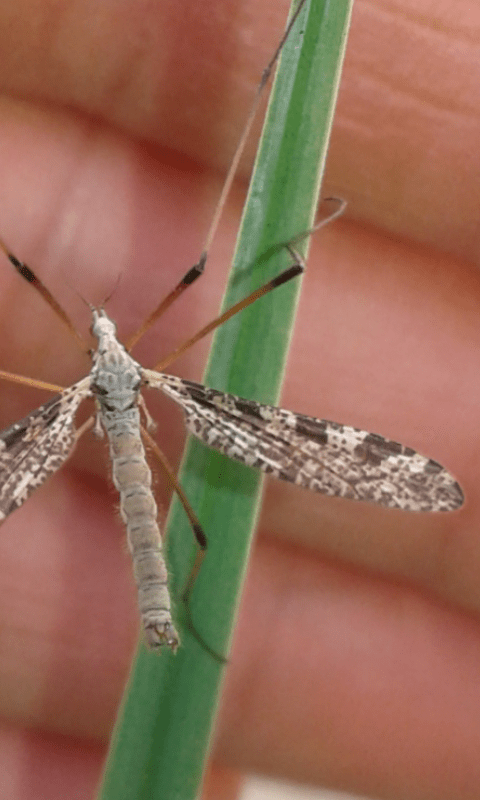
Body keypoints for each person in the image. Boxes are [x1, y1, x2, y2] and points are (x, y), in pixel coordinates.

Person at [0, 1, 477, 798]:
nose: (103, 325)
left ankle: (170, 610)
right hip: (145, 417)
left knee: (196, 501)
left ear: (97, 342)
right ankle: (174, 610)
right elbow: (204, 269)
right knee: (209, 270)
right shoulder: (144, 364)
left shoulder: (82, 377)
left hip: (122, 421)